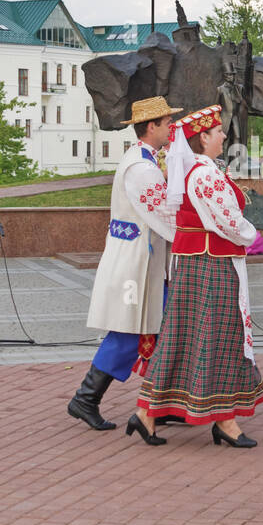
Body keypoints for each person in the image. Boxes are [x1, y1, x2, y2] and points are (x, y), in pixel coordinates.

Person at [133, 105, 263, 447]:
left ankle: (154, 413)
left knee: (190, 336)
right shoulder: (205, 175)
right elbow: (228, 221)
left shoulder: (198, 170)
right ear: (203, 138)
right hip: (211, 264)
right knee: (221, 335)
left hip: (199, 263)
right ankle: (222, 420)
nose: (224, 135)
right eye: (219, 131)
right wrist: (253, 237)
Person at [69, 97, 180, 430]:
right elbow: (165, 214)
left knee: (159, 332)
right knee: (128, 333)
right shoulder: (141, 169)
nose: (171, 127)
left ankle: (160, 404)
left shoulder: (144, 161)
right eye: (166, 122)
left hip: (142, 260)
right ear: (151, 127)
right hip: (135, 263)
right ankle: (85, 399)